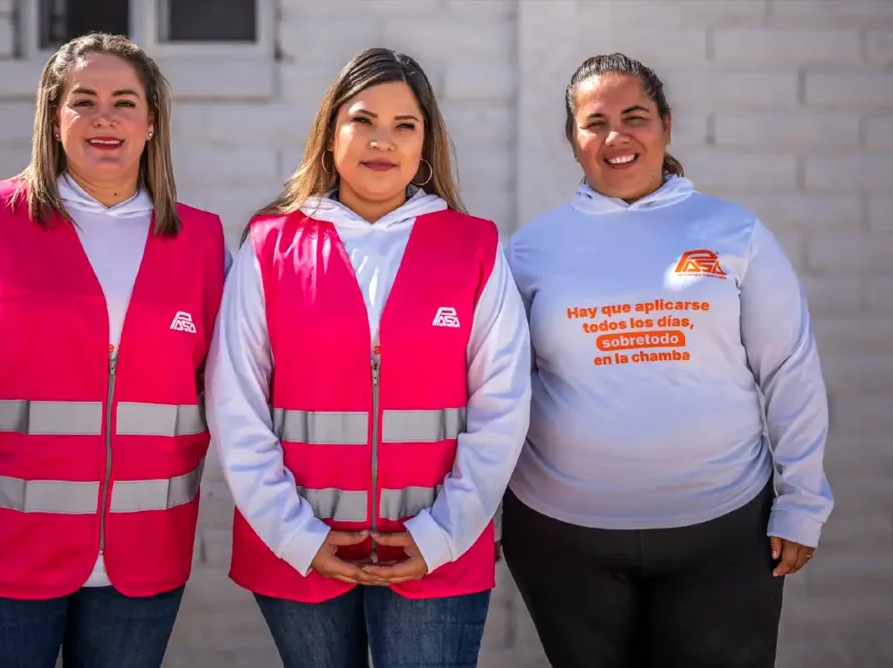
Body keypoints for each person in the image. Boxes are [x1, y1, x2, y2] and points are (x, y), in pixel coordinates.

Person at [0, 32, 229, 668]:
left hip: (144, 553)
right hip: (3, 549)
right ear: (54, 117)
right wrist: (4, 441)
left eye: (125, 101)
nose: (105, 117)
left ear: (151, 122)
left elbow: (222, 385)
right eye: (84, 101)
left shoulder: (202, 242)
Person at [503, 52, 834, 668]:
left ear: (666, 126)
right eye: (594, 122)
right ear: (573, 140)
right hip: (562, 537)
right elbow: (498, 391)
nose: (616, 137)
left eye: (635, 117)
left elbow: (789, 368)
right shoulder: (527, 251)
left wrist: (803, 500)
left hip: (725, 534)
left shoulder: (734, 233)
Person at [205, 47, 531, 668]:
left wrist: (441, 537)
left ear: (425, 143)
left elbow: (504, 407)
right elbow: (235, 404)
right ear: (331, 134)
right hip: (299, 550)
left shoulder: (473, 247)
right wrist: (297, 537)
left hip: (435, 550)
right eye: (363, 121)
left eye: (404, 126)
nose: (382, 142)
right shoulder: (271, 246)